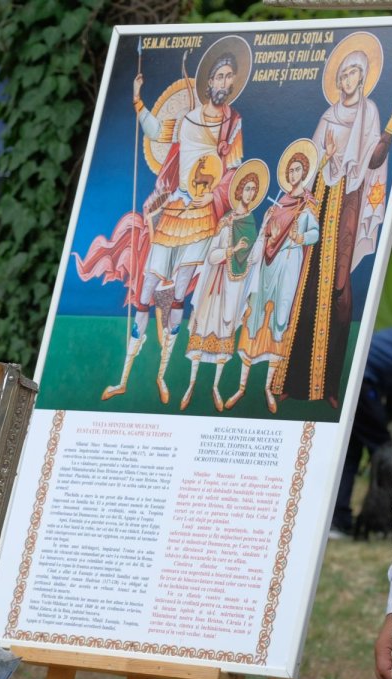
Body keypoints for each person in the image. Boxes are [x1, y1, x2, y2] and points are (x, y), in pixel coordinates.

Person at [99, 37, 250, 403]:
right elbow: (154, 133)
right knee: (148, 288)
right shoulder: (186, 120)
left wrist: (222, 201)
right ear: (209, 81)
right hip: (174, 212)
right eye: (220, 76)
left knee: (179, 292)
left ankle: (162, 376)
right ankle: (124, 377)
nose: (225, 83)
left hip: (203, 216)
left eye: (231, 77)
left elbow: (234, 171)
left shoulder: (233, 125)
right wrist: (138, 100)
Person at [278, 34, 392, 408]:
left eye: (354, 73)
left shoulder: (371, 114)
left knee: (340, 290)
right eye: (344, 73)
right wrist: (326, 158)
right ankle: (290, 381)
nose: (348, 79)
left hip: (348, 206)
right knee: (306, 287)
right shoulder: (328, 116)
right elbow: (311, 163)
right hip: (320, 206)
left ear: (363, 78)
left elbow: (376, 160)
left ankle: (331, 387)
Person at [228, 141, 319, 413]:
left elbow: (314, 234)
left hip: (289, 262)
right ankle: (241, 387)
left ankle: (267, 387)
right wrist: (267, 222)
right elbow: (266, 235)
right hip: (268, 264)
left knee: (280, 317)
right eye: (289, 170)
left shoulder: (307, 205)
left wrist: (300, 236)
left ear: (304, 173)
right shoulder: (278, 202)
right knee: (256, 316)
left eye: (297, 169)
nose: (292, 174)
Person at [179, 159, 266, 411]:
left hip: (234, 287)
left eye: (253, 189)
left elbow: (251, 260)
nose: (249, 193)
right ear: (238, 190)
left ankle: (215, 386)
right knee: (202, 331)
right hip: (214, 285)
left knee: (225, 332)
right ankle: (191, 384)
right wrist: (231, 250)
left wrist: (260, 242)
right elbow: (212, 255)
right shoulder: (227, 220)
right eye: (246, 188)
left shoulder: (251, 223)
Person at [331, 326, 392, 537]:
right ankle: (384, 522)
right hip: (362, 381)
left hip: (340, 378)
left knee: (349, 452)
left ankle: (337, 522)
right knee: (386, 454)